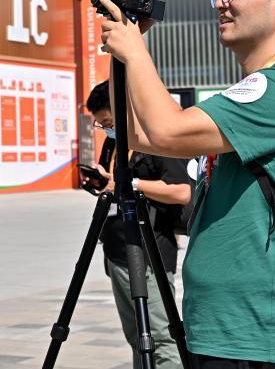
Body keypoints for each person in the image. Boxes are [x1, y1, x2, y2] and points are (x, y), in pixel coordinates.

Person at [98, 0, 275, 368]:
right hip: (231, 335)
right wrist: (124, 52)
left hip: (265, 340)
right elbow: (137, 135)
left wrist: (136, 52)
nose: (221, 3)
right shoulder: (261, 89)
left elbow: (167, 131)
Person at [79, 81, 191, 369]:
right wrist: (103, 183)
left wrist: (133, 183)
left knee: (160, 336)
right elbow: (114, 185)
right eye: (102, 125)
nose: (107, 129)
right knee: (136, 337)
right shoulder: (114, 143)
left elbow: (182, 192)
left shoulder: (157, 141)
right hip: (117, 249)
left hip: (150, 249)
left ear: (126, 110)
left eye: (109, 122)